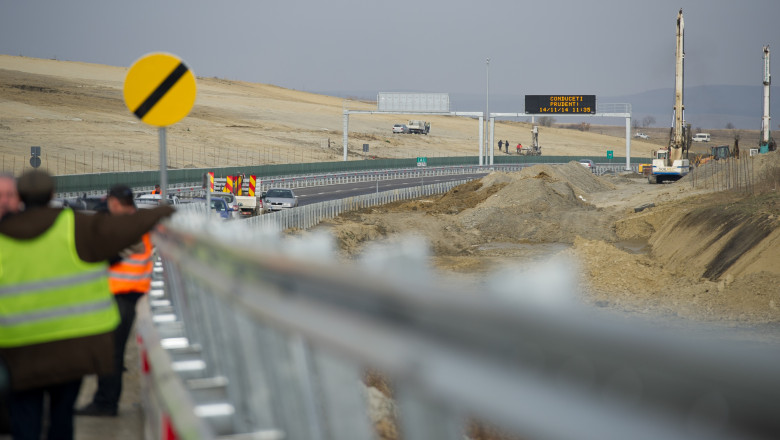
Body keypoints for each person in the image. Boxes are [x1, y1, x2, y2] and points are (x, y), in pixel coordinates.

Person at [0, 171, 174, 440]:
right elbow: (125, 228)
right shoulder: (75, 225)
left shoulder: (5, 233)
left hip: (20, 346)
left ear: (19, 197)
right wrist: (163, 209)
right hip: (72, 344)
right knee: (62, 415)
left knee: (26, 413)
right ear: (53, 195)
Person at [76, 185, 153, 417]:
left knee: (111, 352)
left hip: (122, 293)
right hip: (129, 293)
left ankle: (106, 403)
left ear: (115, 204)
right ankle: (105, 401)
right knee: (112, 351)